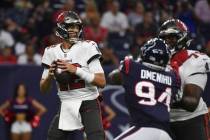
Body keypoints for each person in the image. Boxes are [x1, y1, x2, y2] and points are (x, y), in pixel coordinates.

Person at [40, 11, 106, 140]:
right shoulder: (51, 51)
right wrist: (49, 75)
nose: (75, 30)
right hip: (67, 103)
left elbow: (102, 81)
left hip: (88, 101)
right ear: (61, 27)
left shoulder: (88, 47)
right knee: (53, 137)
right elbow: (43, 89)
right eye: (71, 26)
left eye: (77, 27)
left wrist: (75, 70)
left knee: (96, 137)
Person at [109, 38, 180, 140]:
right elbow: (177, 97)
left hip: (144, 127)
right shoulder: (173, 76)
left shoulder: (132, 66)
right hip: (166, 134)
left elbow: (112, 78)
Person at [158, 18, 210, 140]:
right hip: (163, 119)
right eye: (164, 38)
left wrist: (161, 96)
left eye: (171, 37)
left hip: (190, 120)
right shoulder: (155, 59)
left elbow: (191, 102)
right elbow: (114, 78)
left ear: (182, 38)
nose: (167, 41)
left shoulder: (194, 60)